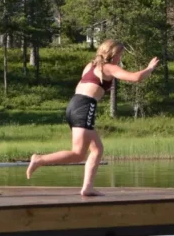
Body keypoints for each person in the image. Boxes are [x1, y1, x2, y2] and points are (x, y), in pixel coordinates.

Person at [26, 39, 158, 196]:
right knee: (78, 154)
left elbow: (83, 85)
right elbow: (136, 78)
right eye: (120, 55)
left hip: (74, 104)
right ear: (113, 54)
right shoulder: (109, 67)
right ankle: (39, 159)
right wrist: (149, 68)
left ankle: (87, 187)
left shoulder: (91, 66)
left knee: (97, 149)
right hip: (84, 106)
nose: (120, 59)